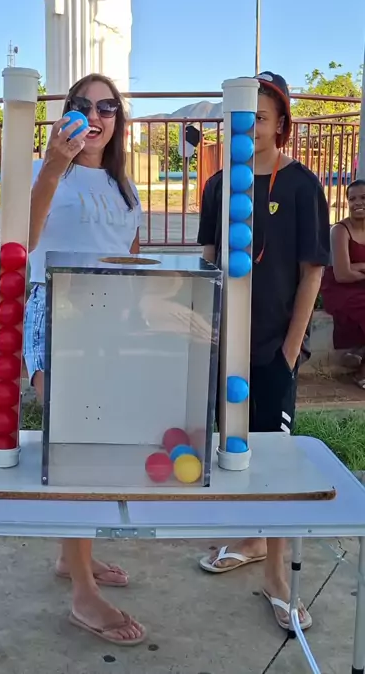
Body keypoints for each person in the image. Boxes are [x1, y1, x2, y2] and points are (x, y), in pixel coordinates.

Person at [197, 71, 330, 631]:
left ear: (280, 125)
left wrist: (289, 351)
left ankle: (277, 575)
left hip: (274, 350)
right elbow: (209, 262)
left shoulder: (302, 186)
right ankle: (251, 538)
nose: (249, 127)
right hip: (224, 349)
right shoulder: (218, 186)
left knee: (274, 460)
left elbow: (312, 272)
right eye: (241, 117)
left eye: (261, 117)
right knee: (232, 449)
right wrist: (204, 337)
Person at [24, 72, 145, 646]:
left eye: (107, 107)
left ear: (118, 119)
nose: (94, 115)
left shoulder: (126, 188)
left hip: (108, 320)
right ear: (66, 112)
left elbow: (127, 255)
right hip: (57, 313)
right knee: (74, 445)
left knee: (93, 441)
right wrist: (53, 164)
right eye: (81, 104)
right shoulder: (45, 170)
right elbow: (22, 238)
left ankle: (71, 556)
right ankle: (82, 592)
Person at [321, 179, 365, 386]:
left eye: (363, 198)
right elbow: (342, 274)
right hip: (340, 289)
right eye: (352, 199)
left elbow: (351, 269)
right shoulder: (339, 230)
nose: (357, 203)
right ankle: (362, 373)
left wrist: (358, 267)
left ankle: (360, 356)